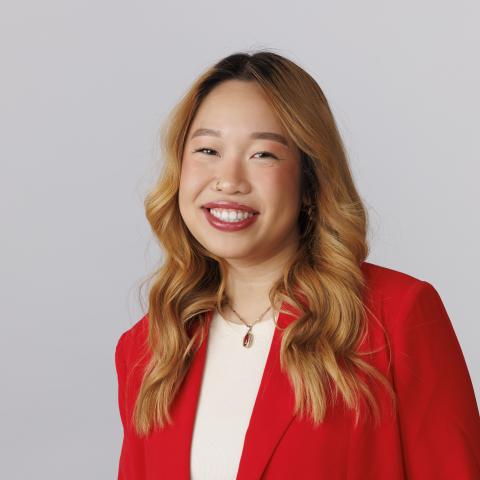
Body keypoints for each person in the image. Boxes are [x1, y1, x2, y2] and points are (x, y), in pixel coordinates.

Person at [114, 50, 480, 479]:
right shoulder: (150, 351)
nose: (229, 179)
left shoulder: (396, 316)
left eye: (263, 155)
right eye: (208, 150)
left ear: (309, 181)